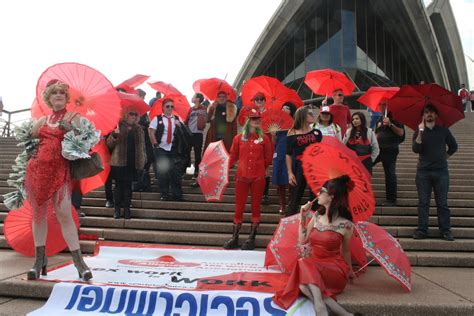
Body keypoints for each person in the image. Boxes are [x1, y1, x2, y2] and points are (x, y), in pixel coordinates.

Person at [24, 80, 92, 281]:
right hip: (38, 171)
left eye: (62, 92)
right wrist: (32, 151)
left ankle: (79, 263)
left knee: (64, 212)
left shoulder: (74, 117)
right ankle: (39, 261)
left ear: (66, 97)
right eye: (54, 93)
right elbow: (30, 140)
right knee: (39, 214)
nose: (59, 95)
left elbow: (89, 139)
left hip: (60, 172)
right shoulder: (42, 120)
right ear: (49, 98)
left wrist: (72, 130)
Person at [273, 176, 356, 316]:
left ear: (331, 197)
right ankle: (337, 312)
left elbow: (346, 251)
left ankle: (321, 306)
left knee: (303, 268)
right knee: (302, 285)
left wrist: (350, 271)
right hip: (314, 267)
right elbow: (302, 240)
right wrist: (303, 217)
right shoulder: (317, 216)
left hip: (334, 269)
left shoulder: (346, 224)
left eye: (321, 191)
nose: (317, 194)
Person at [223, 109, 273, 250]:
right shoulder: (238, 138)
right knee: (239, 207)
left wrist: (258, 167)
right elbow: (233, 156)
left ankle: (251, 238)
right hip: (241, 177)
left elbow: (268, 158)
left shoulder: (265, 139)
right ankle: (235, 238)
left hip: (258, 178)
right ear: (248, 120)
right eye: (253, 118)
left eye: (258, 118)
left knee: (256, 207)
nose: (256, 120)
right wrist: (224, 167)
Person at [412, 104, 458, 241]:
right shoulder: (418, 131)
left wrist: (444, 157)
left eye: (432, 112)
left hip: (441, 171)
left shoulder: (444, 131)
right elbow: (415, 149)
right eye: (426, 112)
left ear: (436, 115)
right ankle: (422, 230)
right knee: (423, 202)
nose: (429, 114)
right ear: (423, 116)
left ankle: (445, 230)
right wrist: (420, 131)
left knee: (442, 203)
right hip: (423, 172)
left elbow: (454, 146)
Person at [149, 98, 191, 202]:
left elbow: (186, 133)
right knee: (163, 172)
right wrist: (155, 145)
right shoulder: (157, 119)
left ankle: (177, 195)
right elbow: (151, 132)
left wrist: (180, 125)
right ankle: (164, 194)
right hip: (161, 148)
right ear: (163, 107)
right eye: (168, 106)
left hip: (173, 149)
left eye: (172, 106)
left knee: (175, 172)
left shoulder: (177, 119)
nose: (170, 108)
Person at [107, 107, 146, 219]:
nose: (133, 116)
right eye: (131, 114)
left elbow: (142, 147)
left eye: (135, 114)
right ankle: (117, 209)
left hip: (132, 162)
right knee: (118, 187)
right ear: (125, 115)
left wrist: (142, 161)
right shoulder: (118, 126)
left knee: (128, 187)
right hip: (119, 162)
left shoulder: (139, 129)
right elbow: (109, 144)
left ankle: (127, 209)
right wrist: (114, 135)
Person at [286, 106, 323, 217]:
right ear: (302, 116)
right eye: (310, 114)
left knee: (316, 198)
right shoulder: (292, 132)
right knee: (295, 197)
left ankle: (316, 225)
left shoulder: (317, 133)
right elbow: (288, 154)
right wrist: (290, 173)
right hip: (299, 167)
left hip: (315, 167)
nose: (313, 116)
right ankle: (290, 223)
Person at [373, 103, 405, 206]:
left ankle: (391, 199)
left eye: (384, 105)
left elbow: (401, 133)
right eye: (381, 105)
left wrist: (390, 124)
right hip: (378, 149)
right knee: (365, 166)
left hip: (390, 150)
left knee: (390, 174)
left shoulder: (396, 118)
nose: (382, 107)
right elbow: (376, 134)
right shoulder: (379, 119)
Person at [272, 103, 297, 215]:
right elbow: (274, 141)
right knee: (279, 177)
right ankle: (282, 204)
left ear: (291, 111)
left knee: (291, 177)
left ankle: (291, 202)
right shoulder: (277, 122)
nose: (283, 109)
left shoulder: (295, 122)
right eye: (282, 108)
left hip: (291, 151)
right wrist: (273, 134)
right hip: (279, 150)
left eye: (286, 108)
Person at [186, 93, 207, 187]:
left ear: (198, 99)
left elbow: (205, 119)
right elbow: (186, 120)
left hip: (198, 134)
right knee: (186, 152)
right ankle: (186, 170)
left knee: (198, 154)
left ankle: (197, 172)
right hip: (189, 134)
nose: (192, 98)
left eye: (193, 97)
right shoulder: (190, 109)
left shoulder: (203, 109)